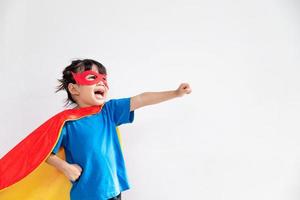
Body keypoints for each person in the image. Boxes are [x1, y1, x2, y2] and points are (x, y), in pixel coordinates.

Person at [7, 58, 191, 200]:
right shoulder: (66, 122)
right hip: (87, 193)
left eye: (104, 79)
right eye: (92, 78)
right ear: (74, 88)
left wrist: (175, 93)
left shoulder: (108, 111)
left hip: (113, 188)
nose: (102, 82)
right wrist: (65, 167)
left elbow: (141, 99)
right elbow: (42, 151)